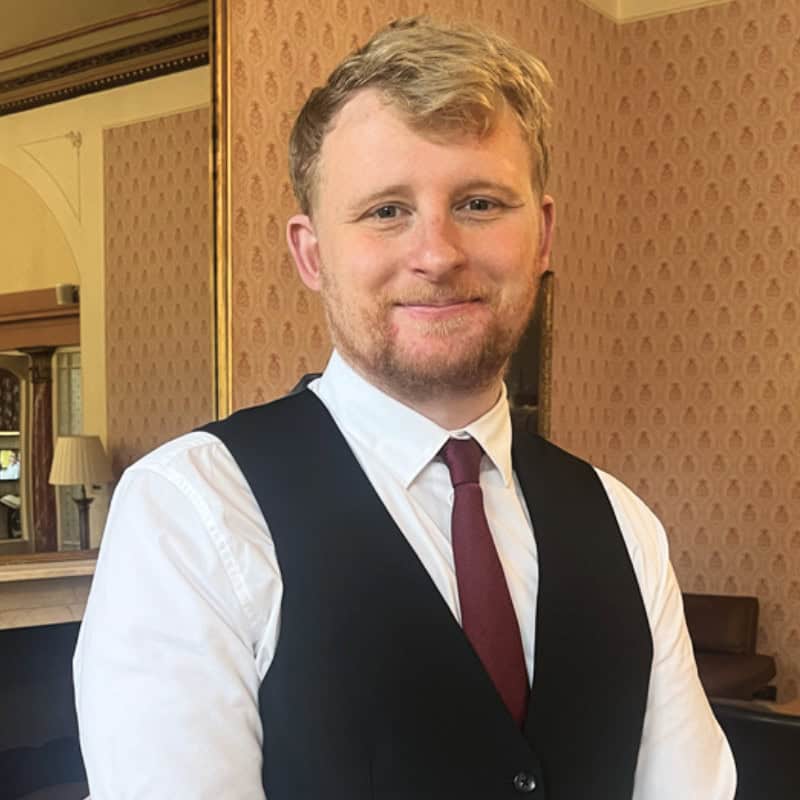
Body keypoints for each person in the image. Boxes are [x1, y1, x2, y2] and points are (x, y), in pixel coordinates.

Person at [74, 17, 736, 799]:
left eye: (482, 203)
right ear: (311, 253)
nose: (438, 252)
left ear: (544, 235)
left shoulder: (625, 525)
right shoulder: (191, 513)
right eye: (386, 210)